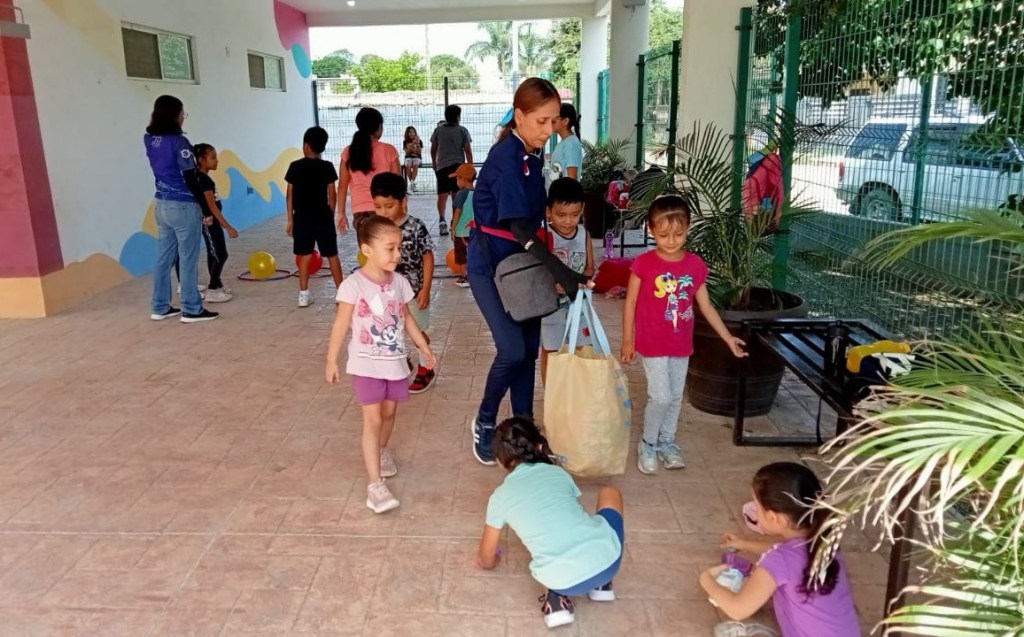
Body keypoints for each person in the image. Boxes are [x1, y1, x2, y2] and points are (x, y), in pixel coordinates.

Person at [467, 78, 591, 466]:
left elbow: (541, 218)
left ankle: (526, 432)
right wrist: (563, 274)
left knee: (528, 357)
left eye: (553, 121)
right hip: (491, 266)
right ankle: (486, 421)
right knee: (512, 349)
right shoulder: (507, 159)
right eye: (540, 121)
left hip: (523, 267)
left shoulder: (531, 157)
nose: (547, 129)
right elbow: (519, 228)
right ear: (519, 116)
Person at [620, 195, 747, 474]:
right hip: (652, 343)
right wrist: (628, 339)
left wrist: (727, 337)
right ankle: (648, 443)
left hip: (680, 344)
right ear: (650, 230)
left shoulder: (695, 266)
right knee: (661, 396)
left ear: (688, 228)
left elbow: (706, 306)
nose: (671, 240)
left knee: (676, 396)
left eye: (678, 233)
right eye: (663, 234)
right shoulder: (643, 264)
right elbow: (629, 302)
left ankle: (667, 442)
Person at [325, 215, 436, 514]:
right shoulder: (353, 285)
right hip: (365, 365)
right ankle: (375, 485)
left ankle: (383, 451)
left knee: (389, 414)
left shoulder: (399, 282)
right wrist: (331, 359)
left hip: (395, 362)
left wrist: (422, 345)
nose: (397, 255)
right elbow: (340, 324)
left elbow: (407, 318)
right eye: (390, 248)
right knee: (372, 420)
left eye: (399, 248)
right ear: (367, 249)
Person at [477, 417, 624, 629]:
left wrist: (493, 561)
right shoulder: (558, 473)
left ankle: (556, 601)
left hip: (561, 581)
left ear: (500, 461)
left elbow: (486, 558)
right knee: (610, 492)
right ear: (539, 446)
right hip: (610, 564)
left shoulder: (499, 498)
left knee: (550, 545)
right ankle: (601, 585)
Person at [700, 462, 860, 637]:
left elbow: (737, 610)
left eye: (757, 507)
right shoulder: (825, 543)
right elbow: (787, 554)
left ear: (774, 518)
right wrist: (744, 544)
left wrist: (706, 580)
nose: (755, 511)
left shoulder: (779, 560)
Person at [143, 95, 219, 324]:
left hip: (162, 203)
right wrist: (206, 209)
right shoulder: (179, 143)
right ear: (174, 116)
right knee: (188, 258)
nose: (183, 118)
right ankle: (191, 309)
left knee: (163, 258)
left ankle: (160, 306)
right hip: (183, 206)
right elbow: (191, 178)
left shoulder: (149, 139)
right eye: (182, 114)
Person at [369, 172, 436, 393]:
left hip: (414, 293)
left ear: (403, 202)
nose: (383, 212)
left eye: (389, 206)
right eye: (378, 207)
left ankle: (426, 366)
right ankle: (401, 361)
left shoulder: (415, 227)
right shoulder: (376, 229)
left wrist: (425, 289)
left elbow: (428, 257)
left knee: (415, 331)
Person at [539, 178, 593, 384]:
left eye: (575, 215)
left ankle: (576, 392)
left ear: (582, 210)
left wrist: (584, 282)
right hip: (551, 306)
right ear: (548, 211)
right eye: (561, 215)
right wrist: (552, 285)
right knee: (551, 350)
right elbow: (536, 273)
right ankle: (551, 394)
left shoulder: (584, 235)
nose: (568, 221)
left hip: (579, 304)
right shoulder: (544, 236)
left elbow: (589, 267)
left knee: (582, 348)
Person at [285, 126, 344, 308]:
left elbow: (289, 195)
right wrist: (331, 214)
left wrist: (290, 219)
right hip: (323, 217)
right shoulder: (327, 167)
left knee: (304, 255)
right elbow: (332, 194)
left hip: (302, 217)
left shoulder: (295, 166)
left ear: (306, 146)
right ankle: (341, 294)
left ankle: (303, 294)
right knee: (332, 255)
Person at [338, 107, 401, 235]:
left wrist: (341, 213)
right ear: (378, 127)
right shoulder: (389, 150)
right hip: (385, 209)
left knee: (368, 251)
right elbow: (398, 184)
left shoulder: (348, 152)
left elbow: (342, 187)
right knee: (386, 249)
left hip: (360, 212)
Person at [194, 143, 238, 303]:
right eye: (212, 158)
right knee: (220, 253)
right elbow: (211, 206)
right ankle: (212, 289)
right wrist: (228, 227)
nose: (216, 161)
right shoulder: (203, 180)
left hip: (212, 222)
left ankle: (217, 284)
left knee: (214, 253)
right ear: (201, 160)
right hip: (209, 222)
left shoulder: (202, 177)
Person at [430, 104, 473, 236]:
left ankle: (442, 220)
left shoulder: (438, 131)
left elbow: (433, 149)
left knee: (442, 195)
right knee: (457, 195)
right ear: (458, 117)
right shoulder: (462, 130)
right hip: (458, 167)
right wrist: (469, 166)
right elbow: (467, 150)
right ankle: (454, 222)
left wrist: (434, 163)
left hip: (442, 166)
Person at [449, 163, 477, 288]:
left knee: (461, 255)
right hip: (474, 230)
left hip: (461, 231)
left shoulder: (461, 194)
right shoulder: (477, 193)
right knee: (473, 252)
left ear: (464, 179)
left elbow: (458, 212)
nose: (456, 181)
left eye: (457, 178)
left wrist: (453, 227)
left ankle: (464, 277)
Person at [548, 103, 583, 184]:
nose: (551, 123)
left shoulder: (571, 143)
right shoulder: (564, 143)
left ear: (565, 121)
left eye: (554, 120)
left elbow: (572, 178)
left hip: (565, 195)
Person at [402, 126, 423, 193]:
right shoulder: (405, 141)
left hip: (417, 158)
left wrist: (417, 144)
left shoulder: (419, 141)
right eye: (410, 132)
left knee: (415, 164)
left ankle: (411, 184)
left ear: (415, 133)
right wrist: (412, 144)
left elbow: (419, 152)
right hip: (408, 157)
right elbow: (407, 152)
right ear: (407, 133)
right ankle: (413, 185)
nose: (412, 134)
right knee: (407, 165)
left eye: (413, 132)